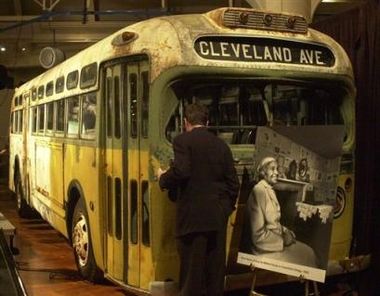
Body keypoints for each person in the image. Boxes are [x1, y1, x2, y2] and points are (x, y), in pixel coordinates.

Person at [156, 103, 240, 296]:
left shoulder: (182, 141)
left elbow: (182, 171)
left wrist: (163, 177)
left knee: (192, 279)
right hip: (217, 220)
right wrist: (224, 210)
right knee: (215, 278)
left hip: (192, 220)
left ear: (186, 122)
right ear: (207, 122)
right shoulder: (222, 146)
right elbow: (233, 184)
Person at [240, 156, 318, 268]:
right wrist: (283, 241)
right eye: (272, 169)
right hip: (264, 249)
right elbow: (258, 236)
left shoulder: (270, 190)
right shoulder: (259, 191)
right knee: (306, 256)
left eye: (277, 169)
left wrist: (286, 230)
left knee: (309, 251)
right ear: (263, 172)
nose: (277, 172)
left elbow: (273, 222)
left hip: (274, 242)